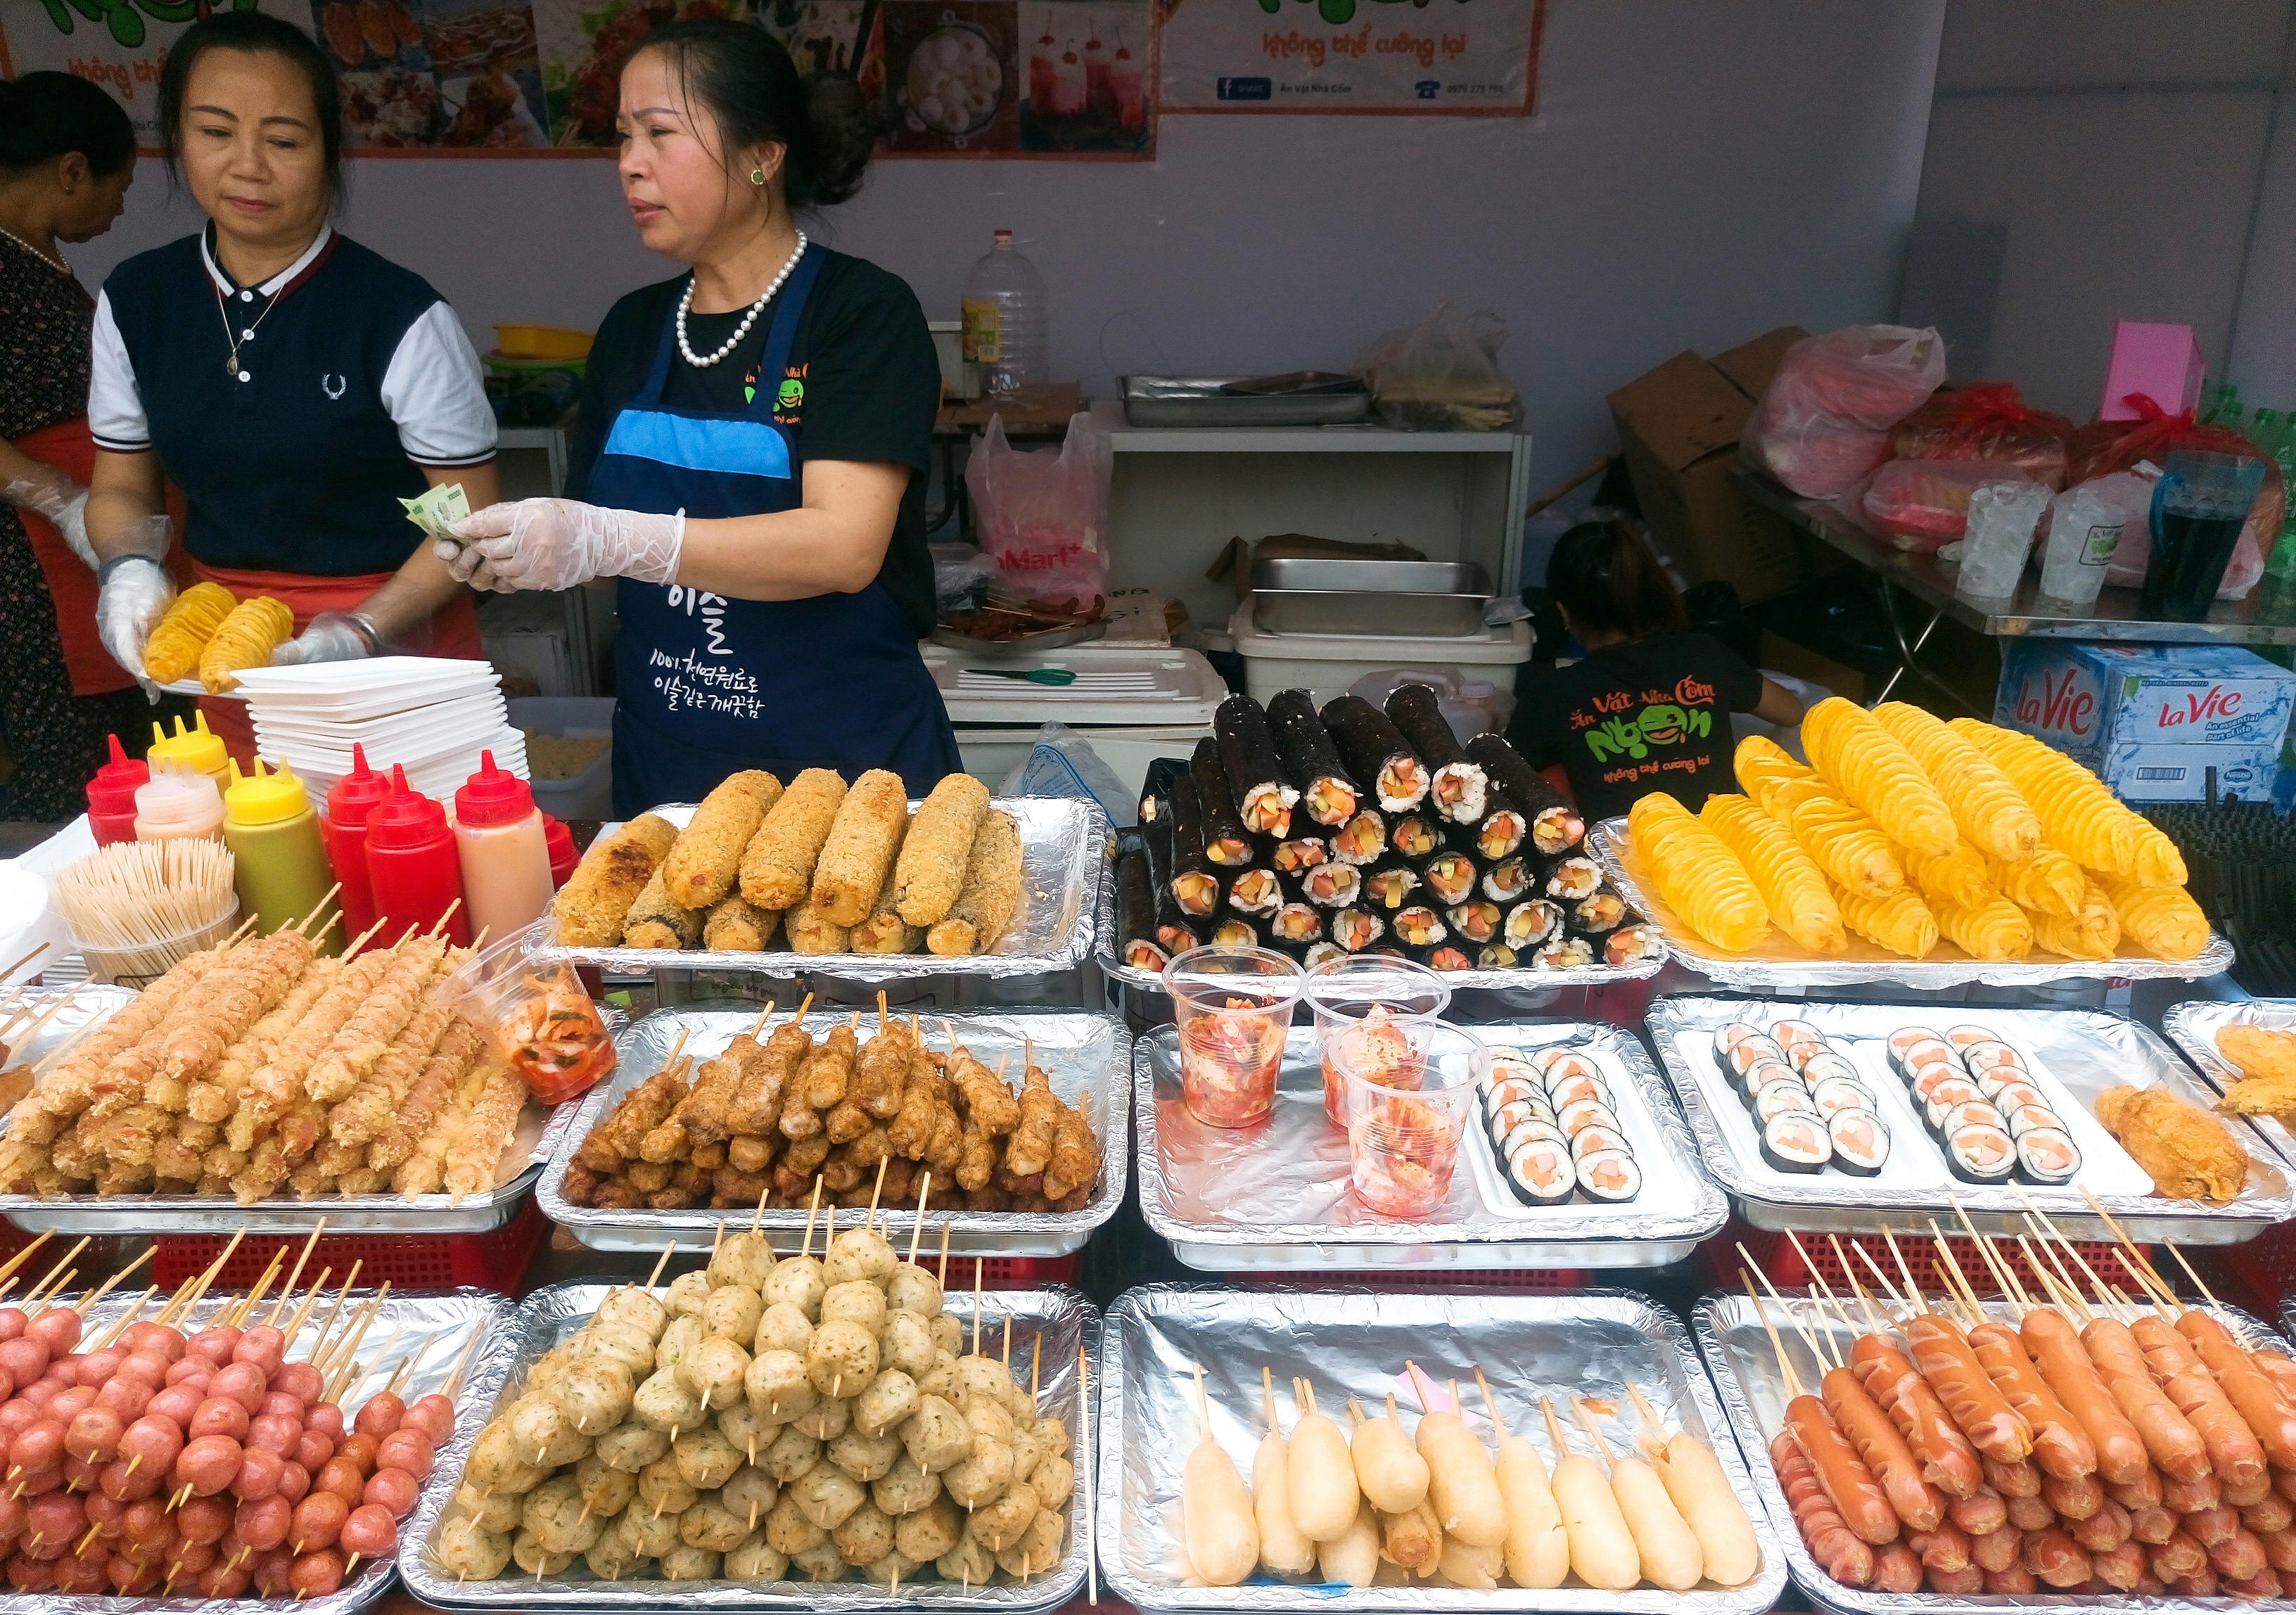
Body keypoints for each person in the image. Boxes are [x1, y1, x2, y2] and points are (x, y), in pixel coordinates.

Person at [438, 20, 957, 815]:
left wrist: (611, 536)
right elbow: (590, 534)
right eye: (621, 137)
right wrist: (520, 550)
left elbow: (844, 546)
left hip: (851, 783)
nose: (629, 164)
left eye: (659, 134)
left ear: (763, 155)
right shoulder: (632, 330)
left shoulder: (860, 313)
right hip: (670, 782)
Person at [85, 12, 500, 762]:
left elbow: (470, 507)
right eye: (215, 133)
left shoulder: (398, 314)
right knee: (261, 853)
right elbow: (121, 485)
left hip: (394, 638)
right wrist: (127, 567)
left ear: (329, 153)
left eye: (283, 141)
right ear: (177, 139)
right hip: (224, 645)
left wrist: (363, 627)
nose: (247, 166)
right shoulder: (136, 300)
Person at [0, 74, 152, 819]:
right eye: (116, 186)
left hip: (87, 533)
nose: (119, 207)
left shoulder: (36, 257)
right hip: (29, 566)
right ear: (70, 171)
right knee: (71, 771)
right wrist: (59, 499)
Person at [1508, 517, 1804, 823]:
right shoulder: (1703, 654)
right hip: (1721, 852)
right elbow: (1793, 712)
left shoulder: (1554, 694)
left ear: (1563, 613)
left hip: (1618, 861)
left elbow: (1498, 775)